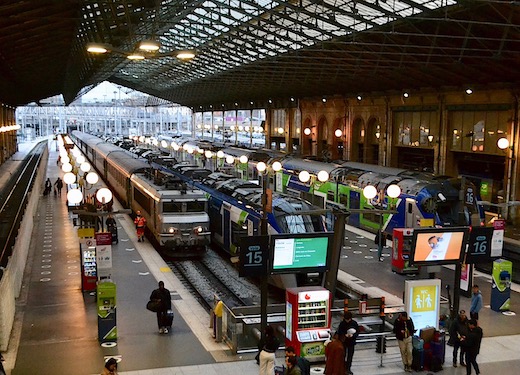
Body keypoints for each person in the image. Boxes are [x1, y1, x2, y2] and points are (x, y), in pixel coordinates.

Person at [336, 311, 359, 375]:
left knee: (350, 356)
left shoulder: (354, 323)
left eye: (348, 319)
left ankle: (348, 368)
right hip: (344, 342)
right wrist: (345, 335)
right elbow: (339, 332)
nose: (347, 321)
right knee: (343, 355)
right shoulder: (342, 324)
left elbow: (357, 332)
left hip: (351, 342)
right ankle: (343, 368)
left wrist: (353, 336)